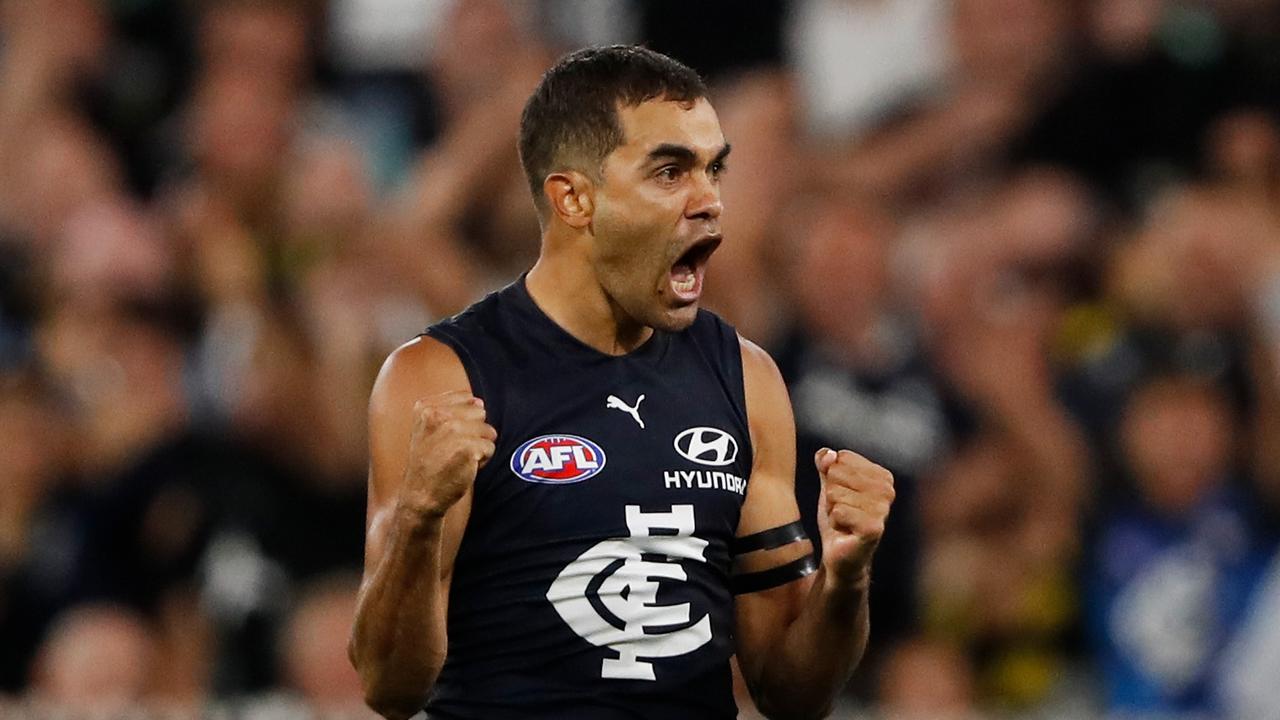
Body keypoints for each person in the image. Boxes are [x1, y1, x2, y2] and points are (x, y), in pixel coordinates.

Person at [348, 45, 895, 720]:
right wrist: (418, 520)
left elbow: (791, 692)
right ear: (574, 198)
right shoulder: (442, 377)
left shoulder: (746, 380)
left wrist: (844, 579)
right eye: (671, 172)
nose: (710, 203)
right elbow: (388, 686)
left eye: (714, 170)